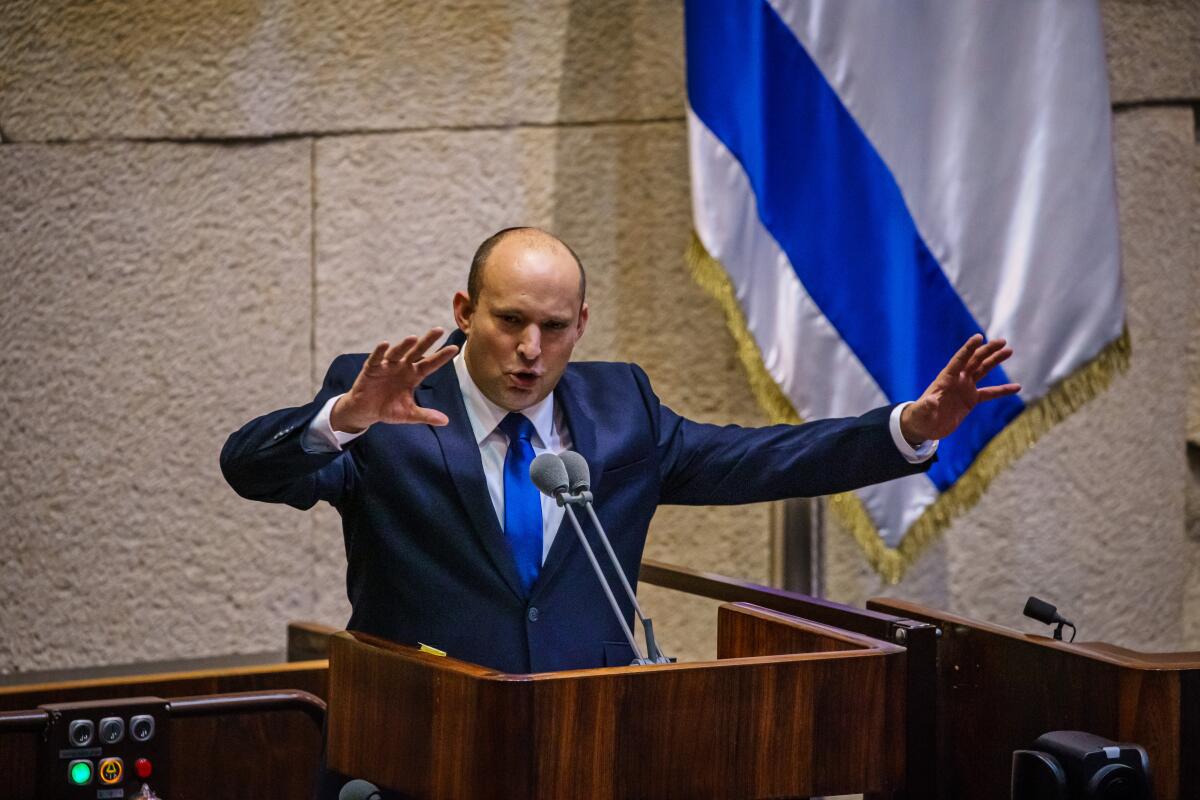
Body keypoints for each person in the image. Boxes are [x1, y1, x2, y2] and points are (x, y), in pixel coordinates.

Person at [220, 227, 1018, 673]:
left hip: (592, 739)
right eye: (509, 321)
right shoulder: (388, 407)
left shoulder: (620, 406)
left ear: (581, 325)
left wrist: (909, 427)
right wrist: (344, 419)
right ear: (465, 311)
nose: (531, 349)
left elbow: (755, 459)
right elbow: (249, 467)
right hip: (428, 733)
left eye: (555, 328)